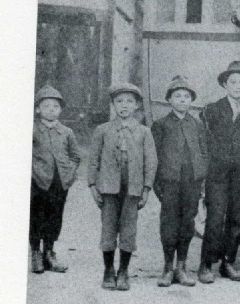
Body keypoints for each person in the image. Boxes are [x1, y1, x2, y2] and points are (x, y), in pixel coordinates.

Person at [198, 61, 240, 284]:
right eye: (233, 82)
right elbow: (205, 141)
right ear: (225, 85)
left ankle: (228, 262)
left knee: (238, 219)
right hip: (218, 175)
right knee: (215, 218)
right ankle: (206, 264)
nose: (237, 86)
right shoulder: (212, 110)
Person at [88, 83, 157, 291]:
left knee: (128, 230)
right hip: (108, 188)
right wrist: (93, 185)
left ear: (136, 105)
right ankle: (108, 270)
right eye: (119, 101)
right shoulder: (102, 130)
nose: (124, 105)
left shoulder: (144, 132)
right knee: (108, 228)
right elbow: (93, 160)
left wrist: (146, 188)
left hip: (133, 189)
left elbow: (151, 161)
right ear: (113, 104)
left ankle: (124, 271)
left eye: (129, 101)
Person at [151, 76, 208, 287]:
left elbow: (204, 153)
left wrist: (201, 178)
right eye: (177, 96)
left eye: (186, 96)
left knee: (187, 224)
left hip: (191, 182)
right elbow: (154, 156)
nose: (182, 100)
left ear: (191, 100)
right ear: (169, 100)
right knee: (169, 224)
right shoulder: (161, 125)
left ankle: (181, 267)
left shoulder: (197, 125)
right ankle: (168, 268)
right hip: (170, 183)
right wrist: (158, 184)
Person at [30, 84, 81, 274]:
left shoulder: (67, 132)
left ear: (60, 110)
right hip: (38, 182)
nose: (51, 110)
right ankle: (36, 253)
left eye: (55, 106)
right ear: (38, 109)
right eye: (46, 106)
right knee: (36, 216)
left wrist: (69, 173)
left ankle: (49, 253)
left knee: (55, 216)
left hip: (59, 183)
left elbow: (75, 156)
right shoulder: (33, 130)